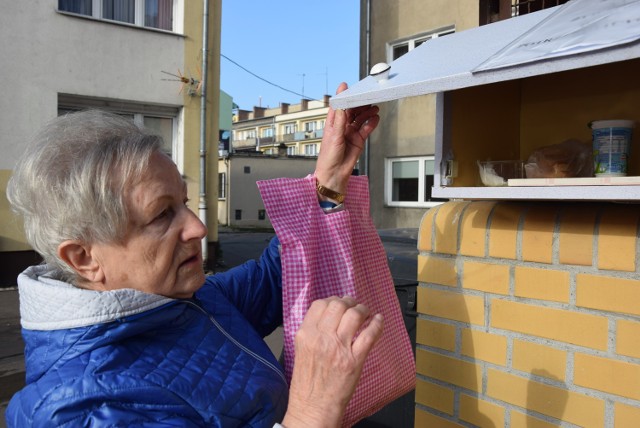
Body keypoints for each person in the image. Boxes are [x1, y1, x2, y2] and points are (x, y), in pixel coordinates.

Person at [5, 83, 381, 427]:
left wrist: (328, 180)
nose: (198, 228)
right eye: (161, 214)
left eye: (183, 203)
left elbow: (277, 275)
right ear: (84, 259)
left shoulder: (185, 299)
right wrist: (313, 410)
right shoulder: (80, 409)